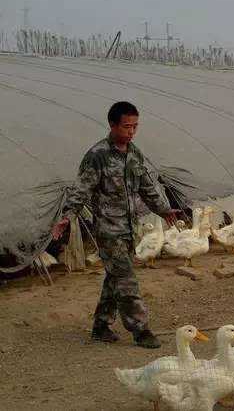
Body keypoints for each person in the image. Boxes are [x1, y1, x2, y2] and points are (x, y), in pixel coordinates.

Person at [51, 101, 179, 349]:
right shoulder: (97, 156)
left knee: (115, 278)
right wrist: (68, 215)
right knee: (127, 280)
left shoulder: (134, 154)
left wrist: (163, 210)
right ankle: (140, 330)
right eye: (127, 126)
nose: (131, 131)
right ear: (112, 125)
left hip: (130, 229)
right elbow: (81, 189)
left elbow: (147, 187)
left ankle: (101, 326)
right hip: (109, 231)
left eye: (135, 126)